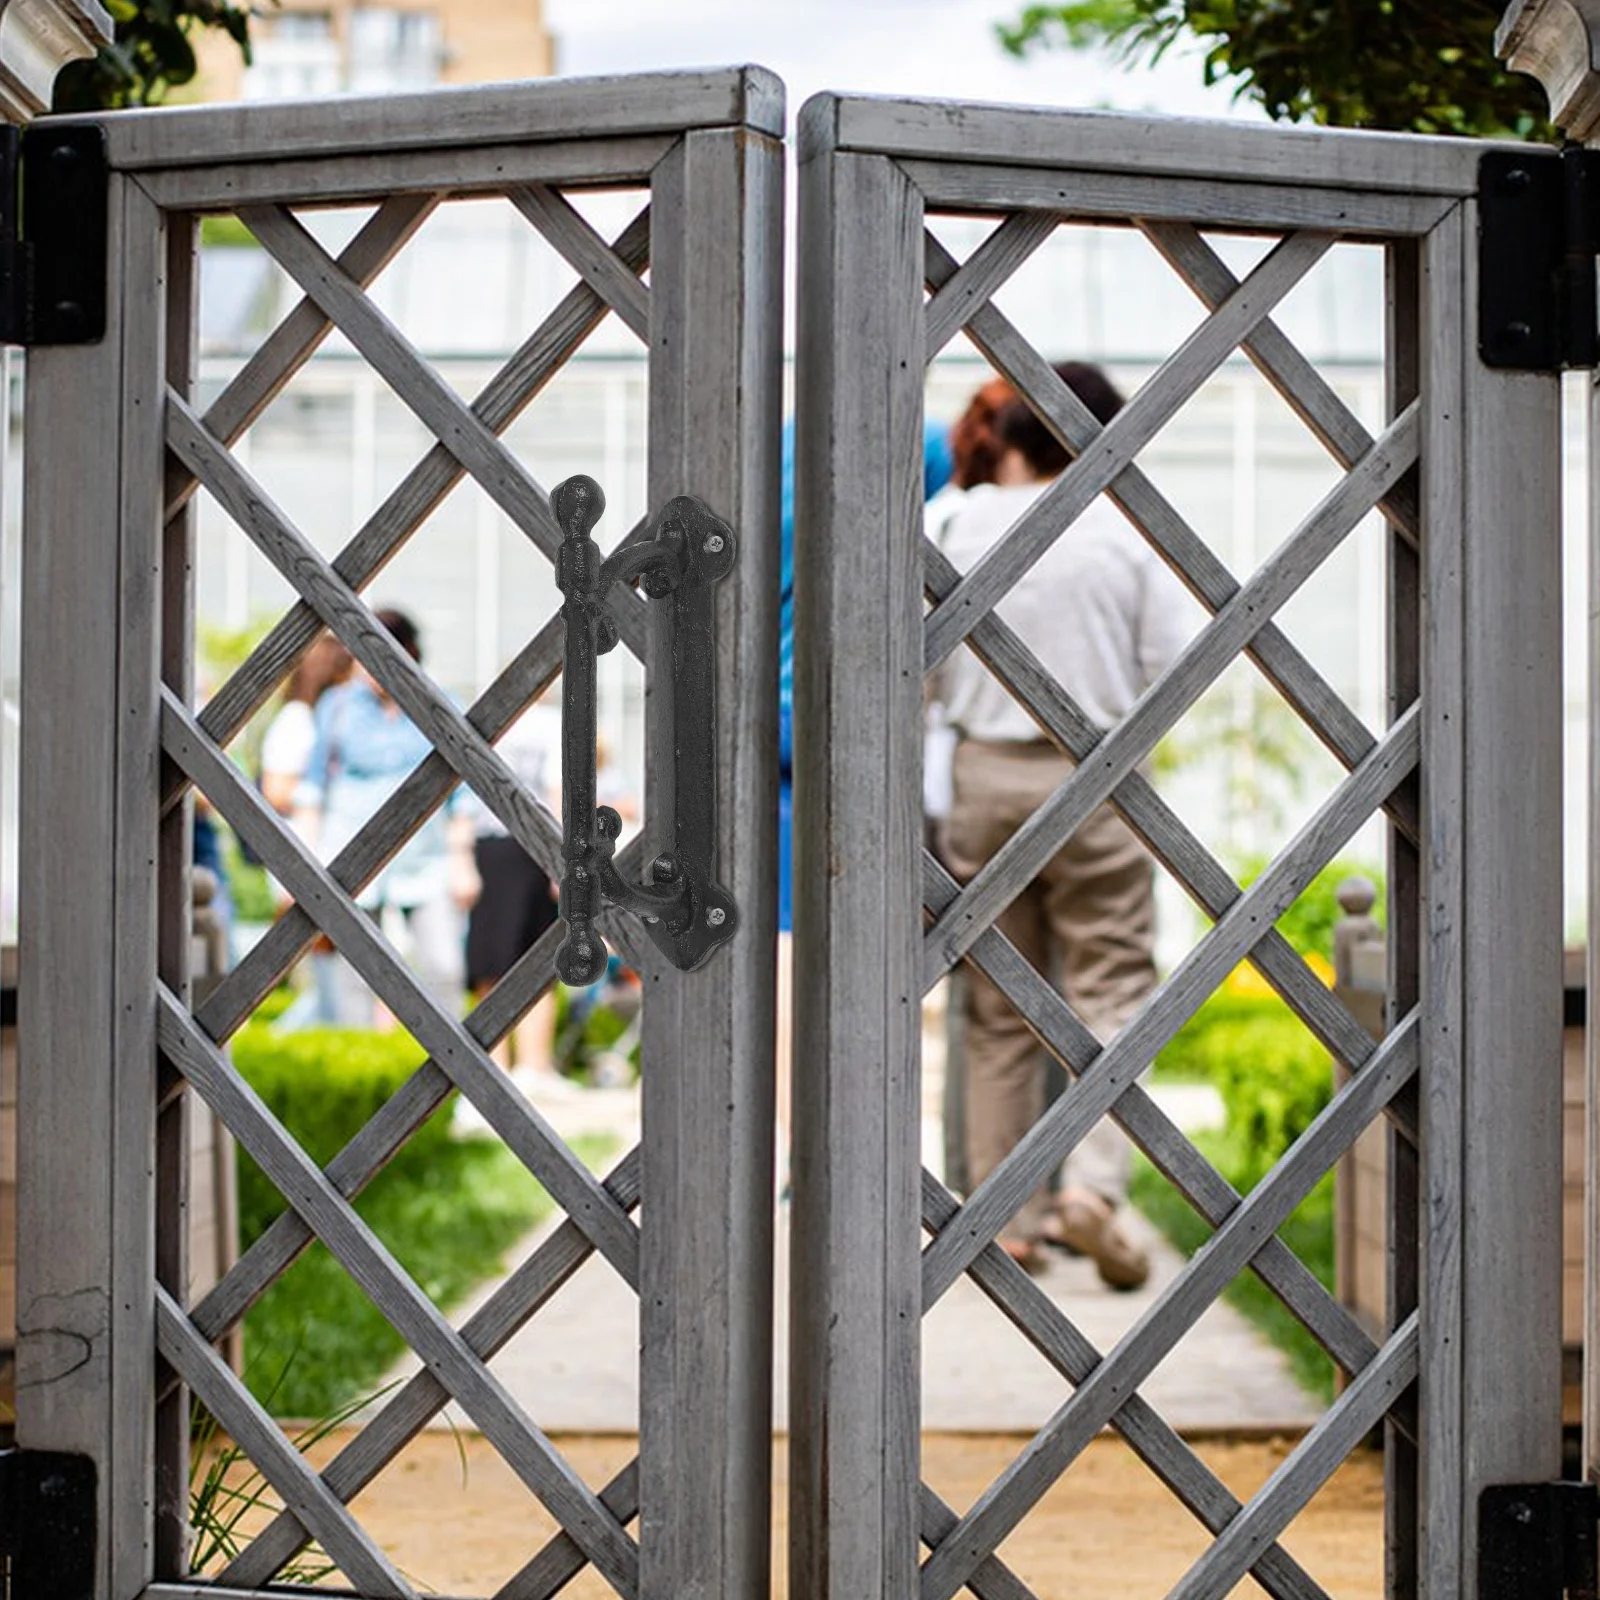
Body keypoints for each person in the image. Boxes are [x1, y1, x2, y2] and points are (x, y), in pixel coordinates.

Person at [931, 363, 1192, 1287]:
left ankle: (1004, 1221)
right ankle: (1090, 1190)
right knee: (1112, 993)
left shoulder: (952, 526)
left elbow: (917, 669)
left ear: (1007, 433)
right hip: (1102, 781)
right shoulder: (1121, 535)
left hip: (984, 779)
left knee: (999, 1007)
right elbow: (1172, 666)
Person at [292, 608, 480, 1027]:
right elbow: (313, 786)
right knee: (355, 970)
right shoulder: (337, 706)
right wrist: (306, 859)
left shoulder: (442, 704)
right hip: (352, 853)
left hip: (426, 858)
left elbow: (463, 790)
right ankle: (363, 1069)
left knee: (444, 965)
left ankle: (454, 1063)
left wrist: (462, 861)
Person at [464, 697, 565, 1089]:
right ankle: (534, 1066)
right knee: (539, 957)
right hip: (537, 843)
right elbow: (561, 790)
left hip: (488, 842)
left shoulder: (487, 715)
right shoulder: (554, 722)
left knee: (492, 956)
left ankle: (496, 1062)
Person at [262, 632, 353, 1029]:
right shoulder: (297, 721)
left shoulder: (317, 718)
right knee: (321, 964)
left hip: (320, 846)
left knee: (329, 966)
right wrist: (320, 788)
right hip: (303, 849)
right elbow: (275, 790)